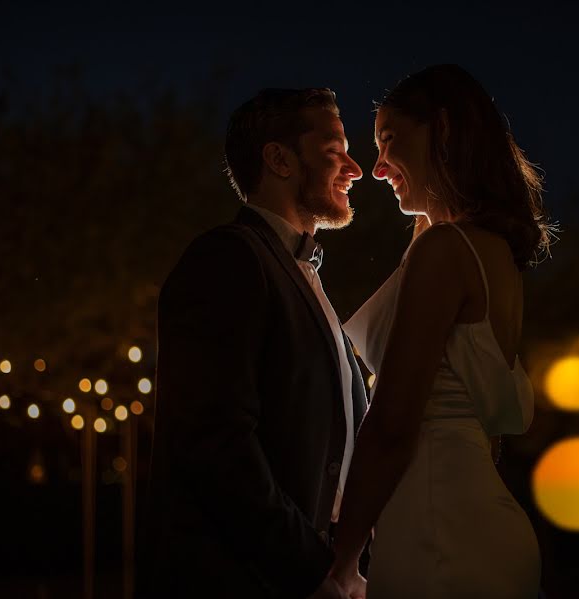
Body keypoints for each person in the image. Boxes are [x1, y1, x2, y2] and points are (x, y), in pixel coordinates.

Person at [327, 64, 552, 598]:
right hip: (475, 524)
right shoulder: (490, 252)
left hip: (440, 534)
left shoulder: (446, 251)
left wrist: (343, 557)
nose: (377, 168)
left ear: (443, 130)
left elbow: (394, 423)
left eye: (388, 141)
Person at [136, 88, 368, 598]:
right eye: (334, 151)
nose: (355, 167)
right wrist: (311, 571)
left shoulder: (301, 272)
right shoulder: (227, 260)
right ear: (279, 158)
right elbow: (215, 442)